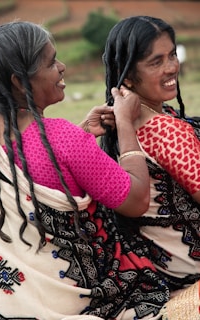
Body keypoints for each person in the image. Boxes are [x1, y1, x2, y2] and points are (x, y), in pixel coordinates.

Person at [0, 21, 170, 320]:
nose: (61, 67)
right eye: (50, 62)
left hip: (10, 303)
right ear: (19, 81)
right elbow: (136, 201)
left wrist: (82, 134)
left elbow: (36, 163)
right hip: (81, 298)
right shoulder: (61, 139)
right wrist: (125, 125)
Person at [101, 15, 200, 319]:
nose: (171, 67)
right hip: (190, 267)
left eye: (172, 54)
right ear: (127, 76)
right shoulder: (165, 129)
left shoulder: (120, 125)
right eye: (156, 62)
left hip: (160, 270)